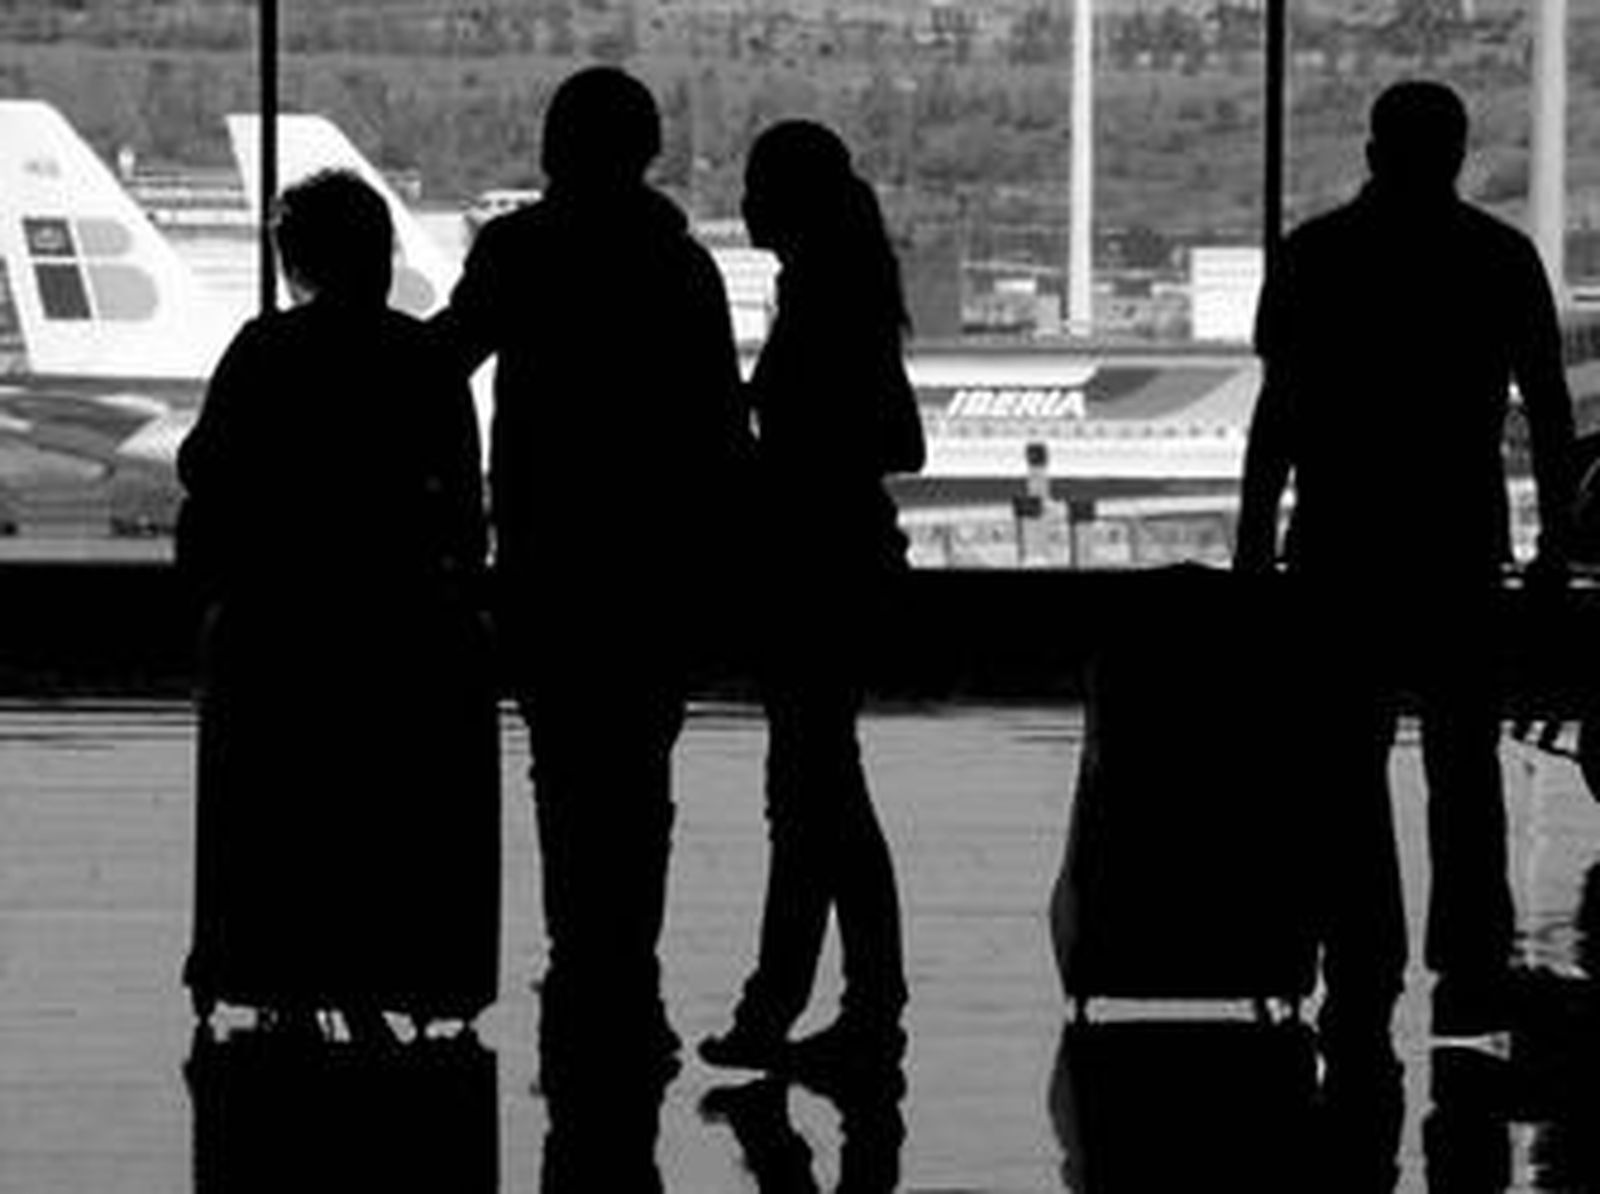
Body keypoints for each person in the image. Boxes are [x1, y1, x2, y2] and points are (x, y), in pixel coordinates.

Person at [1235, 79, 1576, 1039]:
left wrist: (1253, 546)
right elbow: (1547, 409)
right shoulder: (1500, 259)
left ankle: (1361, 958)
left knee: (1344, 767)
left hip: (1343, 549)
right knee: (1464, 768)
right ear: (1459, 153)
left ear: (1374, 149)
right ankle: (1468, 963)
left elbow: (1280, 416)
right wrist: (1555, 540)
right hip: (1457, 548)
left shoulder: (1317, 256)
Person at [429, 66, 751, 1075]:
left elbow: (447, 357)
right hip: (654, 566)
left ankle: (581, 961)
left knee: (562, 770)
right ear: (647, 150)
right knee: (639, 774)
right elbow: (717, 430)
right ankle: (626, 962)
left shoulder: (519, 249)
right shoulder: (681, 267)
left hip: (547, 556)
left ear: (553, 147)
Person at [179, 169, 499, 1042]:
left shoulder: (264, 350)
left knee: (282, 813)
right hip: (402, 626)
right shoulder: (424, 360)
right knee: (389, 816)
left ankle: (278, 966)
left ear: (294, 264)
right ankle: (388, 971)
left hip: (282, 623)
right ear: (381, 257)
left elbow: (206, 467)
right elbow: (462, 507)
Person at [699, 120, 924, 1074]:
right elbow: (900, 442)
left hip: (812, 572)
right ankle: (838, 1008)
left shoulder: (825, 298)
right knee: (819, 796)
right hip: (840, 564)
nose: (743, 204)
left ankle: (817, 1008)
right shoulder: (843, 287)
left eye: (755, 186)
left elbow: (885, 438)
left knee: (813, 798)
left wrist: (771, 446)